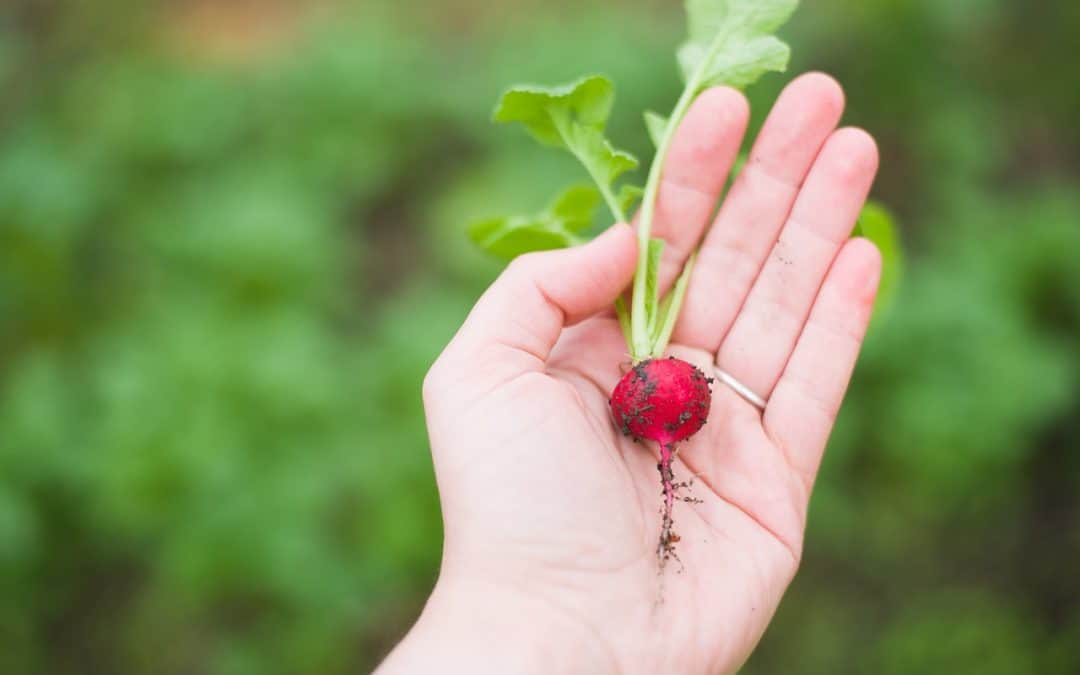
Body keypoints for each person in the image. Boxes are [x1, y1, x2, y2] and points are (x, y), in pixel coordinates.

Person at [376, 72, 881, 675]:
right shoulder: (661, 389)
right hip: (656, 387)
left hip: (657, 390)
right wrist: (546, 606)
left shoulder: (664, 393)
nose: (663, 456)